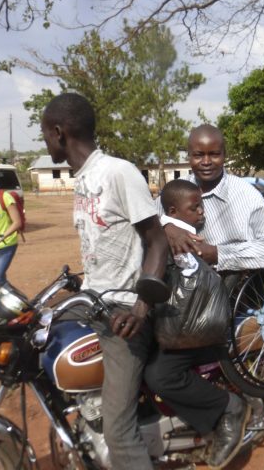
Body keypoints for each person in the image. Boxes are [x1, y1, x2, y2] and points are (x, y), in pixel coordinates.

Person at [146, 124, 264, 470]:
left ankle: (229, 411)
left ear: (225, 154)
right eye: (199, 154)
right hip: (183, 291)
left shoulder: (245, 196)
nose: (206, 161)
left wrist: (220, 254)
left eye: (214, 154)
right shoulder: (174, 191)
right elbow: (147, 223)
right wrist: (166, 225)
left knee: (161, 373)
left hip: (227, 292)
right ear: (189, 156)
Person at [41, 93, 168, 470]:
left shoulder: (118, 172)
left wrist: (141, 308)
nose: (45, 142)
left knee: (118, 432)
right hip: (94, 303)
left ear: (59, 132)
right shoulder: (83, 178)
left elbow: (157, 241)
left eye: (45, 134)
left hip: (124, 315)